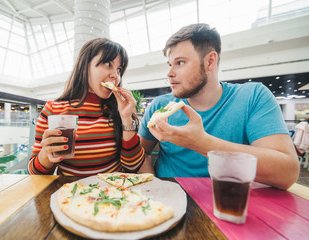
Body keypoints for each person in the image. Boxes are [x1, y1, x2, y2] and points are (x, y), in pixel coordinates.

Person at [138, 24, 299, 190]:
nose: (169, 73)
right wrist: (154, 188)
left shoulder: (252, 96)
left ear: (210, 61)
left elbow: (287, 173)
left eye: (180, 62)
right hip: (168, 202)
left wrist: (202, 142)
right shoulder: (160, 106)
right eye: (169, 64)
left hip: (229, 201)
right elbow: (140, 154)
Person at [28, 38, 144, 176]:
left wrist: (126, 119)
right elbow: (35, 174)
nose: (115, 76)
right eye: (107, 64)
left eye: (119, 69)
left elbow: (133, 167)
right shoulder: (53, 110)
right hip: (71, 194)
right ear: (85, 66)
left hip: (114, 192)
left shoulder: (119, 110)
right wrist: (45, 154)